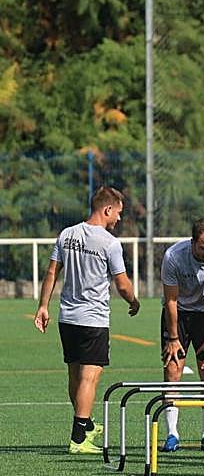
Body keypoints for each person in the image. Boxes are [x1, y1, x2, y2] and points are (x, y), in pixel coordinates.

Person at [34, 186, 140, 454]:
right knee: (89, 379)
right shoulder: (109, 243)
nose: (118, 219)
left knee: (75, 374)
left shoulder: (67, 234)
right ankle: (79, 438)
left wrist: (43, 306)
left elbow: (51, 272)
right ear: (107, 209)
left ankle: (87, 425)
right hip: (93, 319)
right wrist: (134, 301)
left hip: (66, 317)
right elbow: (123, 284)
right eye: (118, 213)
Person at [159, 219, 204, 452]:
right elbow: (170, 300)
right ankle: (172, 434)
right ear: (193, 243)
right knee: (173, 368)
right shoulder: (174, 256)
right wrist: (173, 338)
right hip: (178, 313)